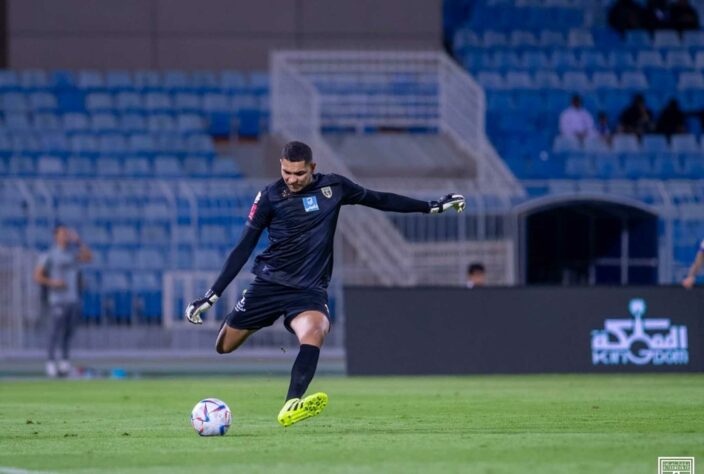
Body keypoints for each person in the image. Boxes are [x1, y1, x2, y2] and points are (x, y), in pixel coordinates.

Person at [185, 141, 466, 427]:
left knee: (315, 331)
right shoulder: (269, 196)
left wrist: (431, 207)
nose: (292, 179)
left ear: (313, 168)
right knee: (224, 346)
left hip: (309, 289)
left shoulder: (334, 188)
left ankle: (291, 403)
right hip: (268, 284)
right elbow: (244, 246)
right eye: (286, 172)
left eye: (299, 173)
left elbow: (380, 199)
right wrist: (212, 295)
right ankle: (252, 319)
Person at [33, 224, 92, 377]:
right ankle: (51, 362)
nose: (65, 236)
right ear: (56, 236)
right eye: (62, 233)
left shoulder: (72, 255)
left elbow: (88, 257)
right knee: (54, 331)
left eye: (67, 234)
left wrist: (78, 241)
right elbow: (38, 276)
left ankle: (64, 361)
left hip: (73, 299)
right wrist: (54, 283)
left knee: (69, 332)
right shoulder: (49, 255)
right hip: (57, 299)